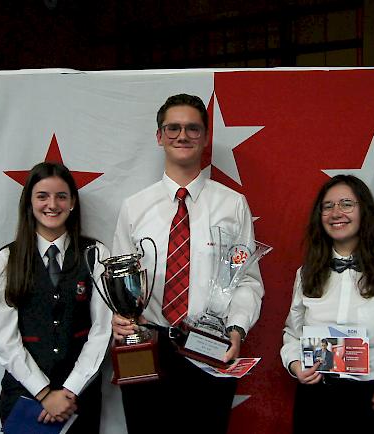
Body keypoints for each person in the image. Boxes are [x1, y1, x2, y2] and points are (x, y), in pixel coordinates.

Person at [111, 93, 264, 434]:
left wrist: (236, 330)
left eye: (193, 128)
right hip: (146, 345)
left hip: (209, 345)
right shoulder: (134, 207)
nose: (183, 136)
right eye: (174, 128)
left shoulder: (232, 204)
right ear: (159, 136)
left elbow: (247, 280)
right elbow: (119, 285)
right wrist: (119, 318)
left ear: (206, 138)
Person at [281, 174, 374, 433]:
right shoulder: (305, 273)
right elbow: (292, 334)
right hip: (315, 397)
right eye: (327, 206)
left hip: (372, 400)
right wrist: (296, 364)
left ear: (365, 211)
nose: (336, 212)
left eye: (346, 204)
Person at [0, 162, 112, 433]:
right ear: (29, 202)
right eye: (42, 196)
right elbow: (4, 339)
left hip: (79, 399)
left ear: (73, 203)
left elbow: (102, 330)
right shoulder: (7, 259)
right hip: (24, 397)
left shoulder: (95, 254)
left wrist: (69, 391)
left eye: (61, 196)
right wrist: (44, 394)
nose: (52, 204)